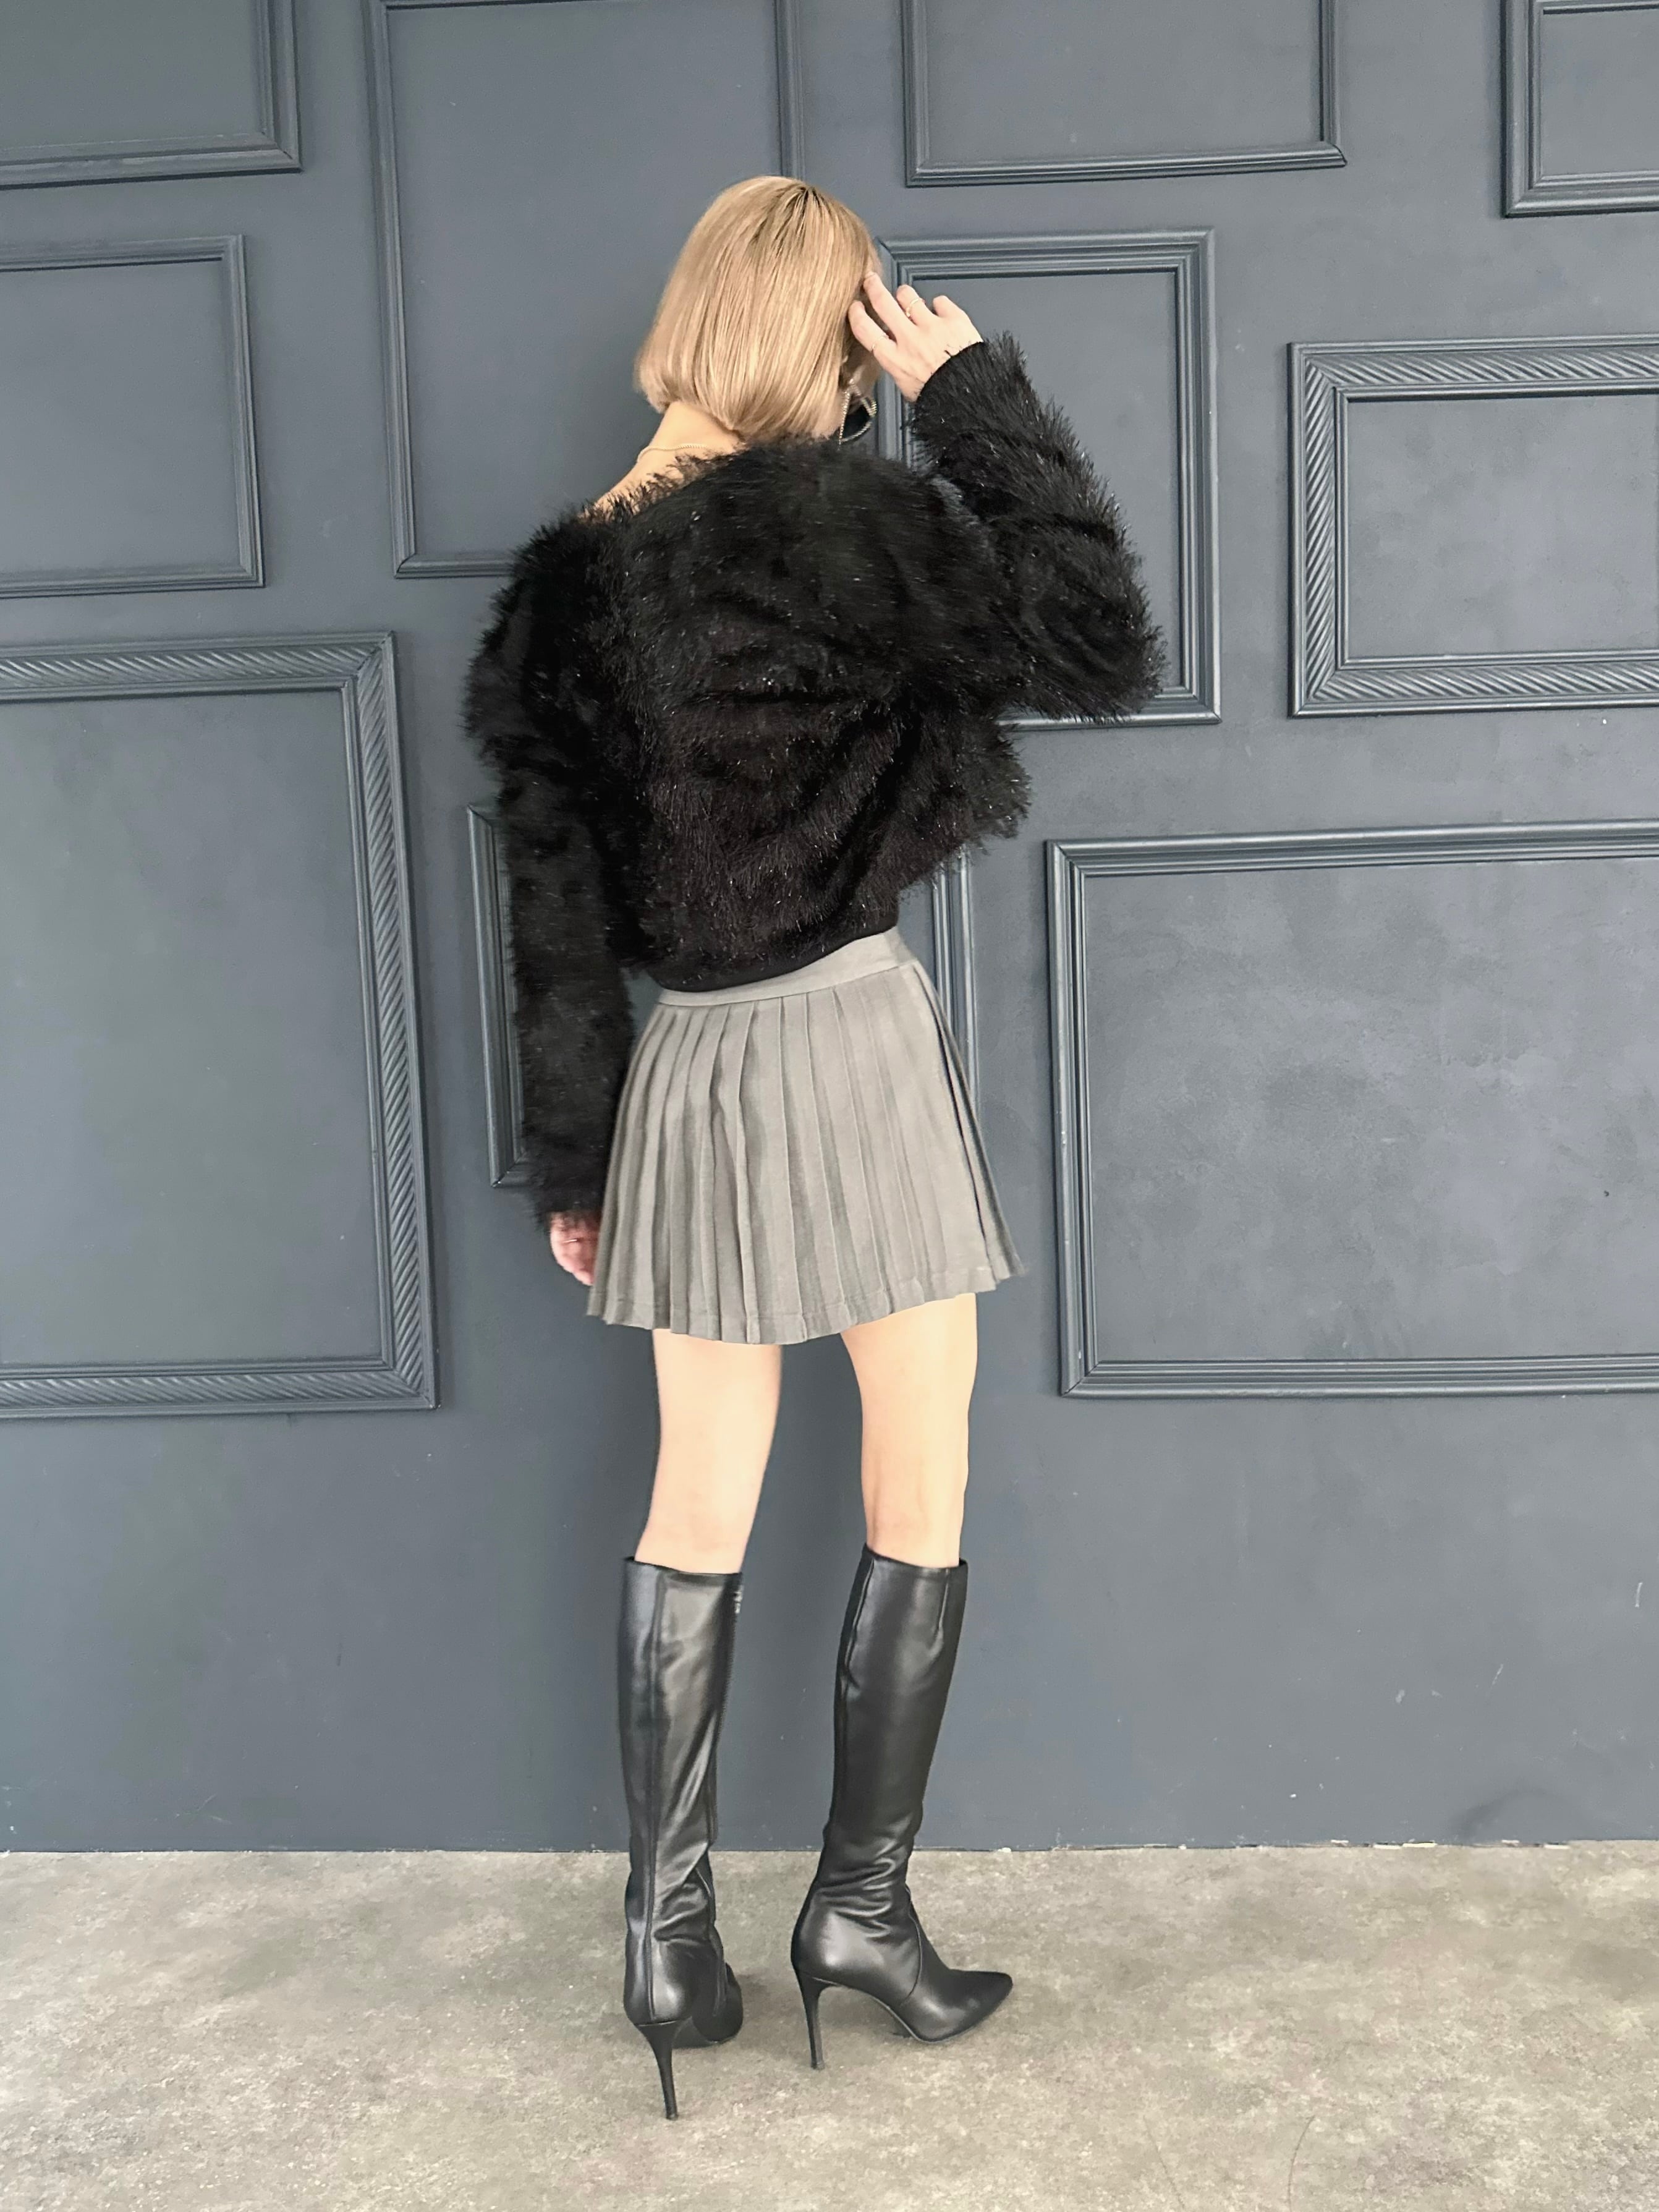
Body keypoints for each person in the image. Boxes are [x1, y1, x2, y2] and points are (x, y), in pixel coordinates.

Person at [462, 174, 1163, 2121]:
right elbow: (1098, 642)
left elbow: (551, 909)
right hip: (849, 1040)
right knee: (917, 1470)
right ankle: (857, 1913)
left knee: (696, 1493)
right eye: (858, 331)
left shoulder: (563, 589)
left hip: (685, 1070)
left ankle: (665, 1940)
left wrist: (580, 1161)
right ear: (823, 336)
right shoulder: (846, 527)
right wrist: (974, 399)